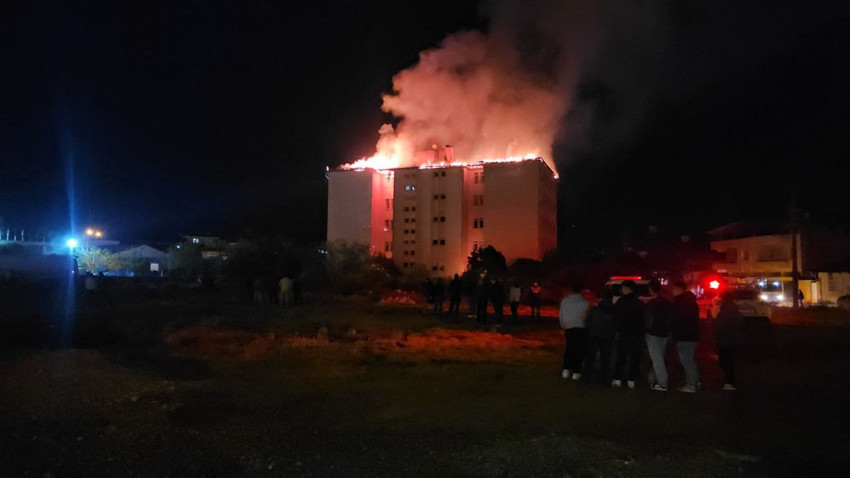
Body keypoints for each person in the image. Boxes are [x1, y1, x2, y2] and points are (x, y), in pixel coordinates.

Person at [612, 280, 644, 389]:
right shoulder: (639, 303)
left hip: (623, 333)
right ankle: (631, 379)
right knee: (634, 358)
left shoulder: (621, 302)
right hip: (636, 334)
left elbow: (615, 318)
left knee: (621, 357)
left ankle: (618, 379)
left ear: (626, 288)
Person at [671, 280, 701, 393]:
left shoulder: (682, 302)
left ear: (679, 289)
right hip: (690, 335)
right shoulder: (689, 301)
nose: (672, 291)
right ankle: (695, 381)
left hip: (684, 336)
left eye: (673, 289)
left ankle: (691, 385)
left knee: (686, 360)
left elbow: (680, 320)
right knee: (689, 359)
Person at [644, 279, 672, 391]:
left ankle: (662, 383)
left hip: (653, 333)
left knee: (656, 358)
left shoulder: (652, 304)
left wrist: (646, 329)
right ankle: (652, 379)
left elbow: (647, 319)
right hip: (664, 333)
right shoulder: (667, 303)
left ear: (651, 290)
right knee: (659, 356)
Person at [560, 282, 589, 380]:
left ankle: (566, 369)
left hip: (569, 327)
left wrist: (563, 324)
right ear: (582, 290)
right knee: (579, 350)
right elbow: (586, 316)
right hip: (580, 327)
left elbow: (561, 314)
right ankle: (576, 371)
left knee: (569, 348)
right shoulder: (584, 302)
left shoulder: (565, 301)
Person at [714, 292, 743, 391]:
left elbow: (724, 325)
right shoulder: (731, 309)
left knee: (727, 361)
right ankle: (729, 380)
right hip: (729, 339)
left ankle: (729, 382)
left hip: (727, 340)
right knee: (727, 361)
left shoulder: (727, 310)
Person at [586, 291, 616, 383]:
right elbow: (616, 324)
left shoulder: (595, 309)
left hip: (594, 334)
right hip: (607, 336)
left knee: (591, 355)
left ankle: (588, 374)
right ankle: (604, 376)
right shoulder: (614, 310)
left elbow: (588, 321)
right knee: (605, 357)